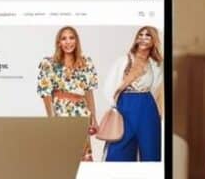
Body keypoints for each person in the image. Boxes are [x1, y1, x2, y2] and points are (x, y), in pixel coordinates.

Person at [37, 26, 99, 161]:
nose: (68, 42)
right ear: (58, 42)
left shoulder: (86, 62)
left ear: (76, 41)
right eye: (63, 38)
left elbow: (89, 93)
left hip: (82, 112)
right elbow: (45, 94)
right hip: (61, 112)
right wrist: (52, 118)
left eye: (71, 38)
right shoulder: (49, 63)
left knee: (84, 158)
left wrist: (94, 118)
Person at [102, 26, 163, 162]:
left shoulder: (156, 64)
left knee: (151, 153)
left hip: (148, 108)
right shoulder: (123, 60)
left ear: (154, 41)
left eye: (148, 35)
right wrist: (115, 106)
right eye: (140, 35)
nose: (143, 38)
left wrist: (158, 112)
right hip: (125, 107)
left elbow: (158, 89)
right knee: (118, 153)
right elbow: (109, 87)